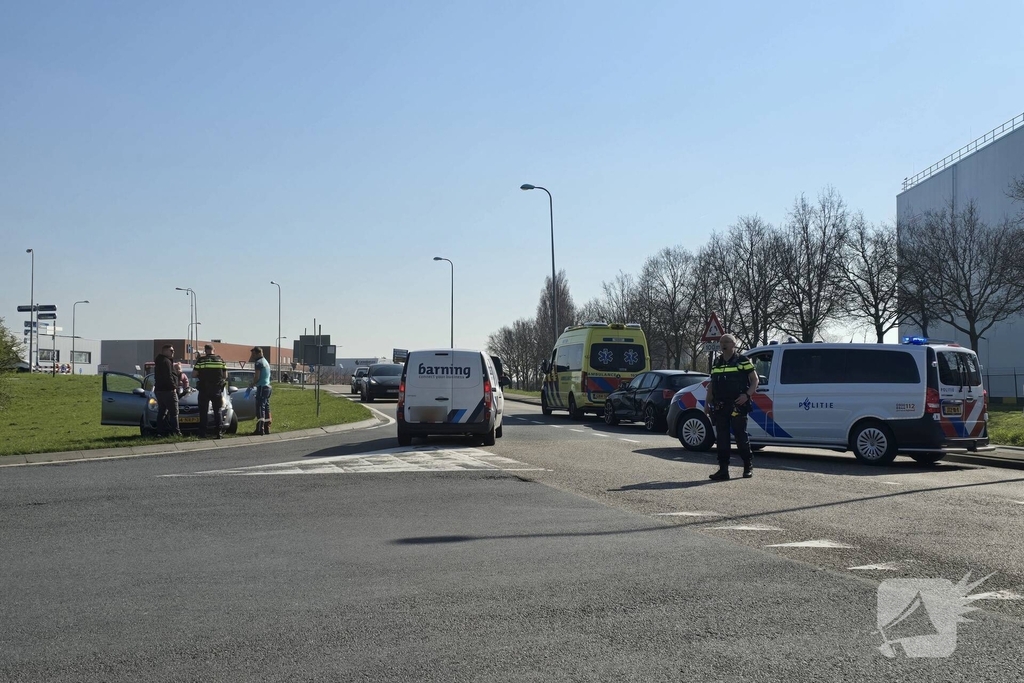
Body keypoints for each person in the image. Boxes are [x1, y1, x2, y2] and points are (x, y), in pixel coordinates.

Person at [704, 333, 759, 480]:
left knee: (741, 436)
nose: (723, 344)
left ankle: (748, 466)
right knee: (722, 438)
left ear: (734, 344)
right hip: (720, 406)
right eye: (722, 342)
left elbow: (755, 380)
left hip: (737, 405)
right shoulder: (717, 362)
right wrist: (707, 403)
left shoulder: (742, 360)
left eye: (727, 341)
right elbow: (711, 385)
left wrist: (747, 395)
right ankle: (723, 470)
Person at [193, 344, 227, 438]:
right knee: (218, 411)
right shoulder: (220, 360)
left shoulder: (201, 360)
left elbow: (194, 374)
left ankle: (203, 433)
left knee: (203, 411)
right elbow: (225, 376)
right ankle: (218, 432)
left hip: (204, 389)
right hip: (216, 389)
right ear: (213, 350)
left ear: (205, 350)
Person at [153, 344, 181, 437]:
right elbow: (168, 376)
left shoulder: (160, 361)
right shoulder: (166, 362)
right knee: (174, 412)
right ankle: (176, 432)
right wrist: (173, 387)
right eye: (171, 351)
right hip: (167, 390)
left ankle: (160, 432)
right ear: (165, 351)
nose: (173, 352)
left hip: (159, 390)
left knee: (162, 411)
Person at [249, 347, 273, 435]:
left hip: (262, 387)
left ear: (259, 353)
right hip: (268, 386)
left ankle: (260, 429)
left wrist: (252, 383)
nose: (252, 356)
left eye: (253, 354)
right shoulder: (265, 361)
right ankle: (267, 427)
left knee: (260, 408)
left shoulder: (258, 363)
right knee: (266, 407)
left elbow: (257, 376)